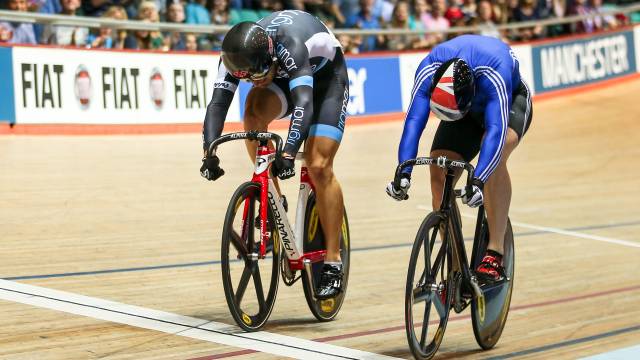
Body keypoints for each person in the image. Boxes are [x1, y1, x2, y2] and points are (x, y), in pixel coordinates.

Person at [200, 11, 349, 299]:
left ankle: (333, 261)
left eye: (256, 75)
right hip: (285, 77)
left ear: (269, 59)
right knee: (253, 113)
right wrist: (209, 152)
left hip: (327, 81)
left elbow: (304, 102)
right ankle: (274, 200)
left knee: (318, 165)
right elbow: (217, 104)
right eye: (246, 78)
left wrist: (290, 153)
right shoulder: (235, 55)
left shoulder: (289, 46)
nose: (253, 82)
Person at [386, 35, 533, 284]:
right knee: (438, 169)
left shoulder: (494, 71)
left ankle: (495, 253)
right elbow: (413, 123)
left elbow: (495, 130)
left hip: (507, 103)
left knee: (497, 156)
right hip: (463, 108)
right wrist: (403, 173)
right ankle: (455, 266)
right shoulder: (428, 70)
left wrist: (478, 179)